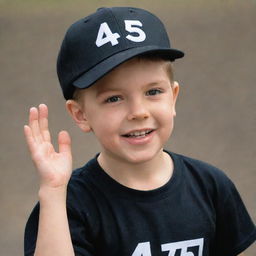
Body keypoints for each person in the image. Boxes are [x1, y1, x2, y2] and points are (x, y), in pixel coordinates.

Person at [23, 7, 256, 256]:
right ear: (81, 114)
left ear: (173, 97)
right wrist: (53, 191)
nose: (138, 112)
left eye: (153, 92)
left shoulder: (210, 186)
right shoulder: (68, 206)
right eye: (114, 98)